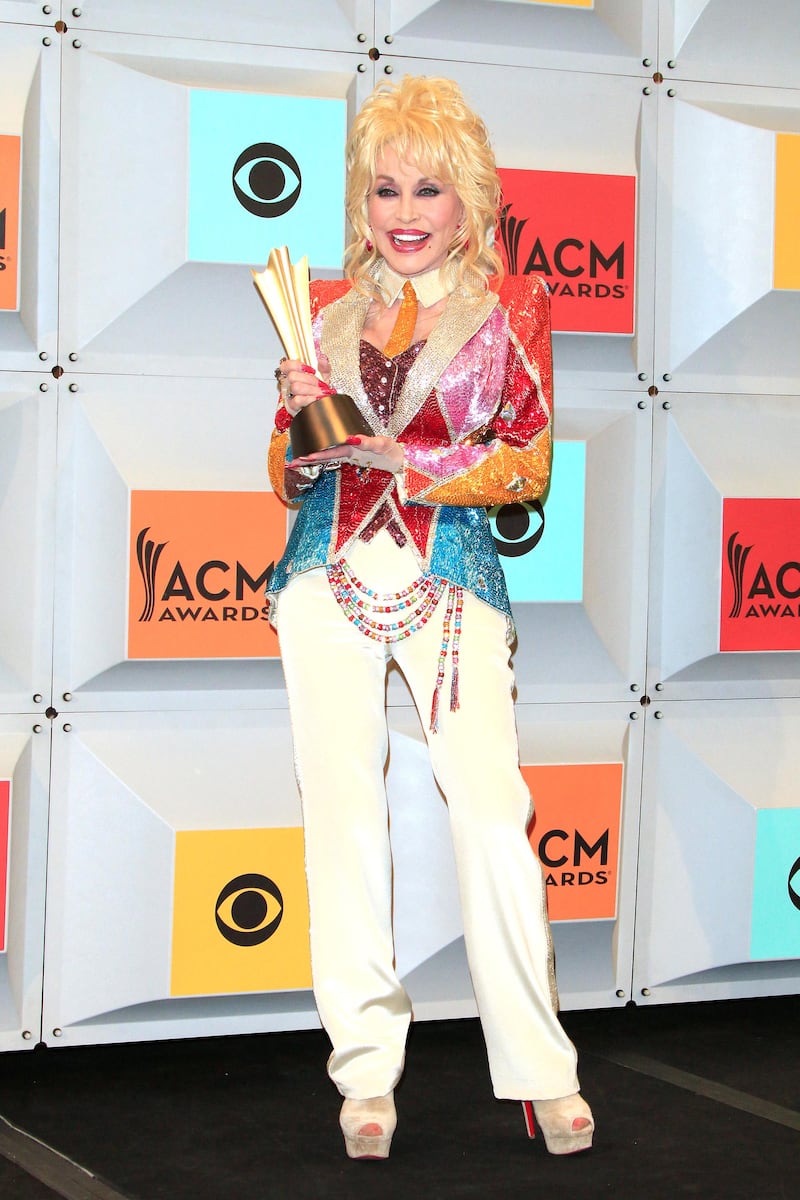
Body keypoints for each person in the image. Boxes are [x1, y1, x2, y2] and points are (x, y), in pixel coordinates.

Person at [266, 75, 594, 1162]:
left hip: (449, 588)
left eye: (427, 191)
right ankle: (363, 1073)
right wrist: (299, 433)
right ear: (360, 206)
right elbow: (282, 473)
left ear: (468, 202)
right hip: (323, 581)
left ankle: (540, 1066)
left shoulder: (517, 312)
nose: (402, 213)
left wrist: (397, 455)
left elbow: (524, 467)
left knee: (490, 813)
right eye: (383, 191)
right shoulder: (322, 316)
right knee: (342, 819)